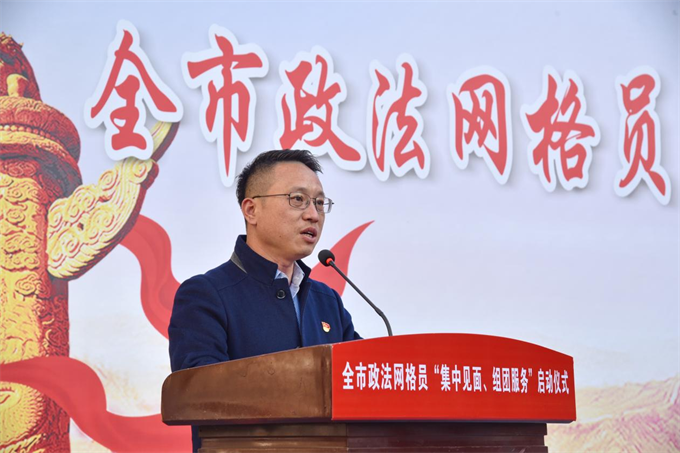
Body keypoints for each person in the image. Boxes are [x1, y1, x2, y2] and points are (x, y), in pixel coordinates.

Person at [168, 149, 361, 452]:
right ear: (251, 210)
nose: (313, 214)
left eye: (319, 203)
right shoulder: (206, 295)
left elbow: (362, 380)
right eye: (297, 199)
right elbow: (200, 397)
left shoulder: (327, 302)